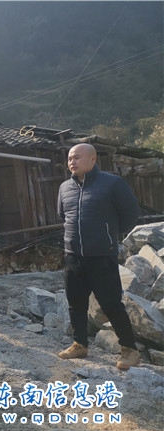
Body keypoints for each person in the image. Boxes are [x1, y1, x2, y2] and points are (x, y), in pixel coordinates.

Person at [57, 143, 141, 370]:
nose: (72, 162)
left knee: (111, 303)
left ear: (93, 159)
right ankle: (79, 344)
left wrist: (109, 235)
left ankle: (130, 350)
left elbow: (131, 213)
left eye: (77, 157)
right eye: (69, 158)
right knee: (75, 303)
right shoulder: (65, 187)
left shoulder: (112, 183)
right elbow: (63, 215)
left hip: (102, 256)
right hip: (73, 256)